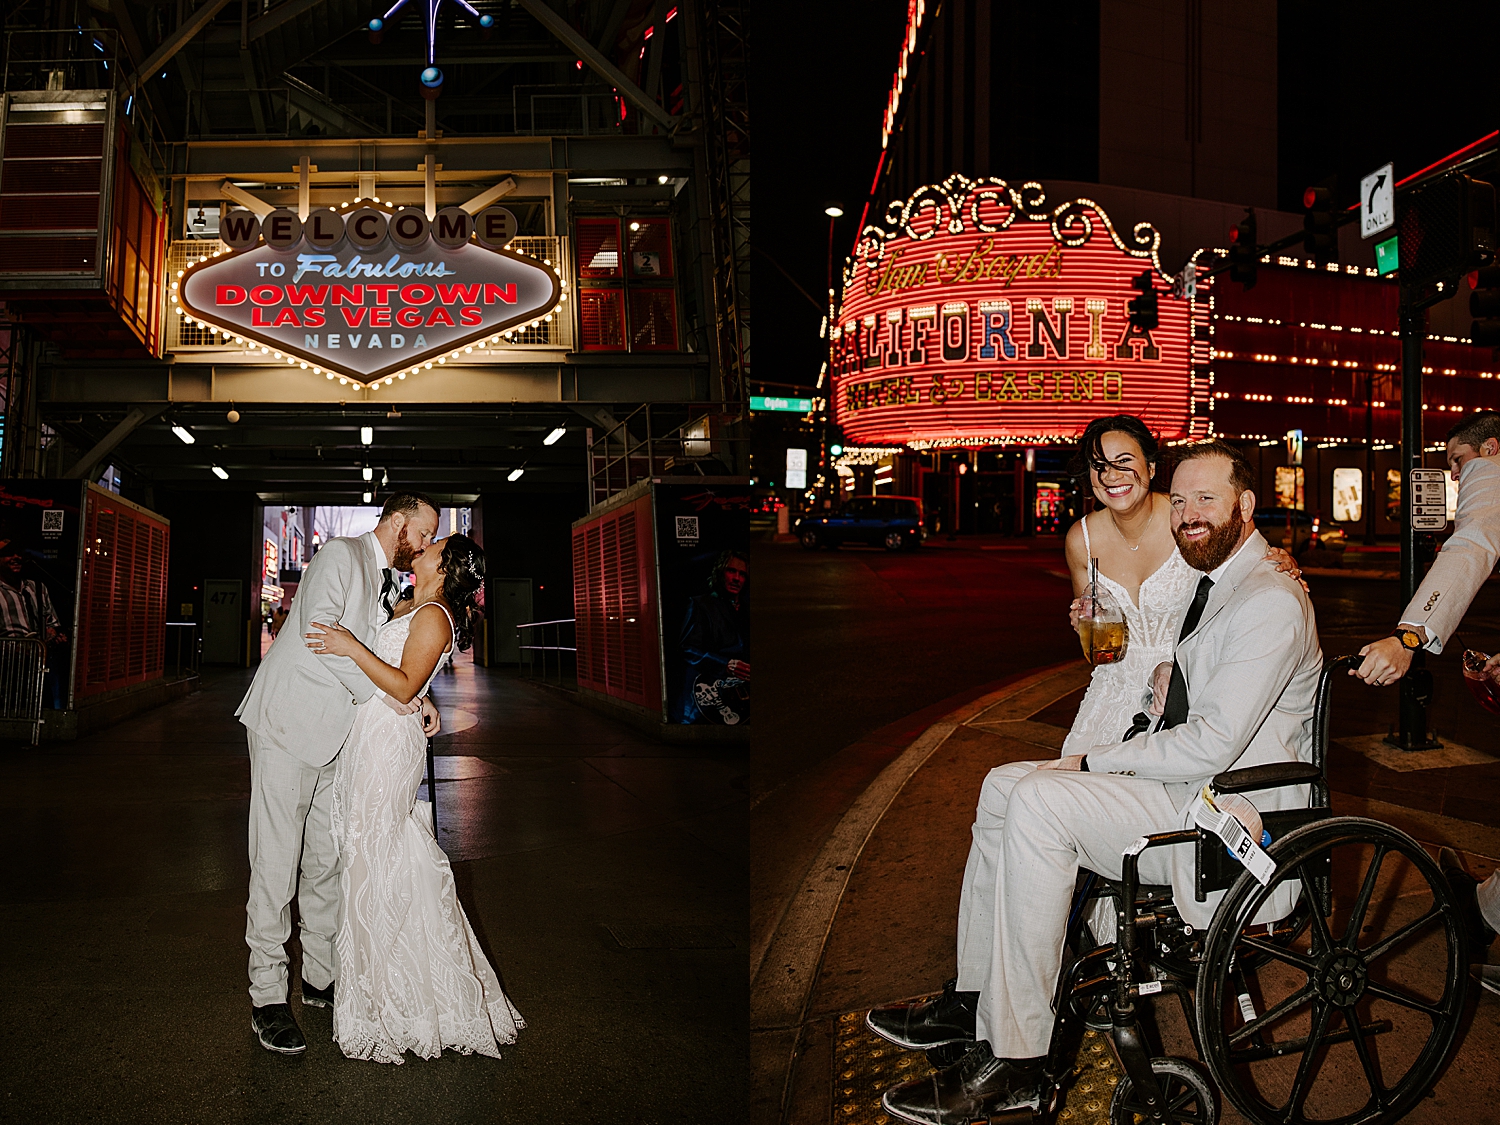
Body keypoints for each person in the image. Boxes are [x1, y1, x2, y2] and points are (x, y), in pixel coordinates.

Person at [867, 441, 1323, 1124]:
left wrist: (1095, 760)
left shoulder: (1268, 599)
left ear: (1246, 506)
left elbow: (1213, 741)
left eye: (1207, 498)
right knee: (1001, 784)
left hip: (1228, 820)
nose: (1189, 514)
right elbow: (1201, 688)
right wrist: (1171, 680)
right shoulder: (1219, 578)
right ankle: (975, 998)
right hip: (1190, 784)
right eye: (1185, 500)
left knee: (1042, 801)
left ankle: (1019, 1060)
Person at [235, 492, 442, 1055]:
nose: (425, 545)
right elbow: (320, 638)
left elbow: (382, 656)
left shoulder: (390, 582)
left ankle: (319, 979)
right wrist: (390, 698)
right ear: (399, 520)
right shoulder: (338, 557)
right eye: (423, 532)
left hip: (340, 740)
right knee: (275, 866)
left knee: (325, 862)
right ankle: (267, 998)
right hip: (287, 727)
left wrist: (415, 696)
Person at [306, 533, 525, 1062]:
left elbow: (402, 685)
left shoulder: (435, 614)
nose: (423, 546)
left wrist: (352, 647)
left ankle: (394, 998)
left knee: (376, 854)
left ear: (445, 566)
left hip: (387, 744)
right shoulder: (412, 603)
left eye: (434, 544)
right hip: (371, 733)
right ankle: (390, 986)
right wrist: (423, 696)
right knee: (370, 855)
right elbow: (410, 682)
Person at [1350, 410, 1500, 987]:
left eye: (1458, 463)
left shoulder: (1490, 466)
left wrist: (1411, 635)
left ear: (1488, 446)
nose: (1459, 478)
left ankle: (1483, 915)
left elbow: (1474, 542)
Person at [680, 549, 749, 724]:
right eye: (731, 571)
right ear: (720, 572)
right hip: (710, 698)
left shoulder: (747, 608)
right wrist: (725, 665)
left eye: (742, 574)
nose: (736, 578)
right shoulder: (701, 604)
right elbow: (688, 649)